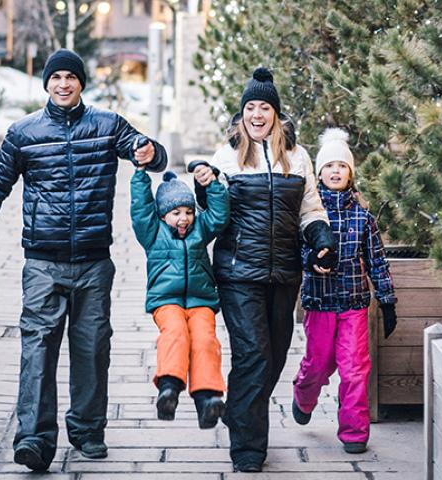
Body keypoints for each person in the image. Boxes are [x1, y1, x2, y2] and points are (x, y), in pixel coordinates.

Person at [0, 48, 167, 472]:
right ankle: (34, 439)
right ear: (46, 84)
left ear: (80, 83)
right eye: (56, 78)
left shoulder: (108, 125)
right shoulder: (24, 133)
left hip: (94, 262)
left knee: (92, 349)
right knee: (37, 349)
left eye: (70, 77)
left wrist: (150, 152)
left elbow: (148, 152)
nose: (63, 84)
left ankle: (88, 431)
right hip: (42, 262)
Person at [192, 68, 336, 472]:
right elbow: (212, 213)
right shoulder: (228, 156)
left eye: (265, 107)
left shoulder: (298, 155)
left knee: (272, 358)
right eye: (251, 107)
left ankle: (238, 408)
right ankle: (248, 448)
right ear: (242, 114)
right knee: (254, 354)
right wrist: (205, 187)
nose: (258, 114)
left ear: (276, 113)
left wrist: (323, 240)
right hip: (239, 273)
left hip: (284, 273)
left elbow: (310, 208)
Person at [292, 128, 397, 454]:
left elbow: (377, 260)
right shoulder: (309, 214)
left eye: (342, 166)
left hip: (353, 304)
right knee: (318, 363)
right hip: (320, 303)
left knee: (354, 368)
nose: (335, 171)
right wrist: (311, 261)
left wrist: (387, 300)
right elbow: (295, 250)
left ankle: (354, 432)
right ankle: (303, 396)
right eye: (329, 166)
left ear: (350, 173)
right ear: (318, 173)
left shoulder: (363, 216)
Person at [130, 167, 230, 429]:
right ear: (163, 216)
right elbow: (140, 209)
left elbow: (219, 216)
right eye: (176, 213)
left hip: (200, 300)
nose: (184, 218)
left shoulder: (200, 229)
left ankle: (207, 397)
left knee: (205, 339)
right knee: (175, 333)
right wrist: (140, 175)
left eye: (188, 212)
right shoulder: (152, 233)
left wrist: (212, 184)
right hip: (166, 300)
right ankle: (169, 388)